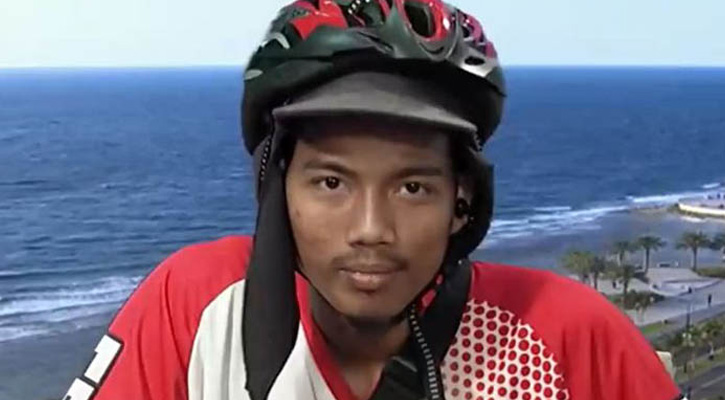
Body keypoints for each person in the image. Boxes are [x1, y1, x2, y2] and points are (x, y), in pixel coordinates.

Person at [62, 1, 684, 400]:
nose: (370, 229)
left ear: (462, 200)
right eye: (331, 183)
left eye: (413, 187)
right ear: (277, 186)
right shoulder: (194, 307)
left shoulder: (565, 335)